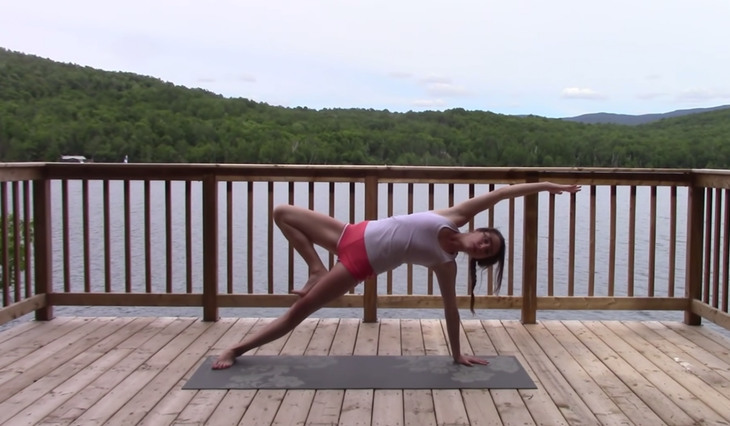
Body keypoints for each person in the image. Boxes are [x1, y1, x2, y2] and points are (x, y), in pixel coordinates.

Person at [211, 181, 581, 369]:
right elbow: (505, 192)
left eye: (487, 252)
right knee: (282, 212)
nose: (483, 246)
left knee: (298, 313)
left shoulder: (445, 264)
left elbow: (450, 311)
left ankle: (235, 348)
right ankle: (315, 267)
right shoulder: (454, 215)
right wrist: (550, 187)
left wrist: (456, 356)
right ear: (478, 230)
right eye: (486, 239)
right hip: (349, 232)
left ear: (478, 259)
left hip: (358, 265)